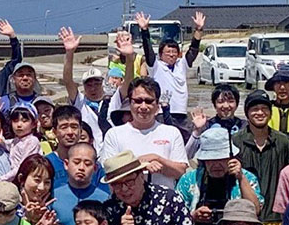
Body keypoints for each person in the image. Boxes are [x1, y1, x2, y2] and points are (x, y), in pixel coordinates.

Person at [101, 57, 188, 190]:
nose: (143, 106)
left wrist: (157, 159)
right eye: (138, 101)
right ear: (130, 104)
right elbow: (110, 172)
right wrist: (140, 165)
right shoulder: (114, 134)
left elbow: (180, 171)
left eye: (148, 101)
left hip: (164, 200)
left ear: (157, 105)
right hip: (126, 198)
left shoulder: (172, 133)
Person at [177, 127, 262, 225]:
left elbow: (255, 210)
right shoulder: (189, 180)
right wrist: (194, 216)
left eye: (221, 159)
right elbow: (176, 215)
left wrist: (241, 178)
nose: (216, 165)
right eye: (211, 160)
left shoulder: (247, 177)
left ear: (231, 158)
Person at [233, 90, 289, 225]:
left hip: (276, 219)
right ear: (247, 113)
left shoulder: (283, 141)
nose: (260, 113)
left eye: (264, 109)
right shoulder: (235, 141)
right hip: (244, 219)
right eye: (254, 109)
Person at [134, 10, 206, 126]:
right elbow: (148, 50)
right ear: (160, 54)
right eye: (168, 52)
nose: (171, 55)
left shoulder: (182, 64)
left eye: (174, 52)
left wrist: (199, 29)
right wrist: (144, 30)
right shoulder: (156, 66)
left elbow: (193, 49)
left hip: (181, 112)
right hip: (161, 112)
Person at [53, 143, 110, 225]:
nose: (81, 168)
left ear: (95, 168)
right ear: (66, 164)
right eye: (76, 162)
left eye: (87, 164)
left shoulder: (105, 199)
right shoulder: (53, 196)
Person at [59, 26, 105, 144]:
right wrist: (70, 53)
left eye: (97, 83)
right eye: (89, 85)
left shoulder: (110, 103)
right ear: (84, 87)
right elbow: (68, 80)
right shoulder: (80, 102)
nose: (93, 88)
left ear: (102, 84)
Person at [45, 105, 103, 188]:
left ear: (80, 130)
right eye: (64, 127)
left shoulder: (93, 166)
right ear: (54, 132)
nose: (70, 132)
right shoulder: (46, 164)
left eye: (74, 127)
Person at [186, 84, 246, 158]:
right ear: (214, 105)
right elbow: (188, 155)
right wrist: (197, 131)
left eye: (231, 101)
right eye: (220, 102)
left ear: (237, 104)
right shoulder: (207, 126)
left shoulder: (244, 126)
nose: (226, 106)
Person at [1, 101, 43, 181]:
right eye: (15, 121)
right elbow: (2, 143)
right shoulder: (15, 141)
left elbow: (23, 166)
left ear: (34, 124)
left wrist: (1, 179)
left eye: (24, 121)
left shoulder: (32, 141)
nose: (19, 125)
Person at [13, 155, 56, 225]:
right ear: (21, 179)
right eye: (37, 180)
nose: (42, 187)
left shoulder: (50, 210)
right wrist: (27, 218)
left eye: (47, 182)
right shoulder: (9, 206)